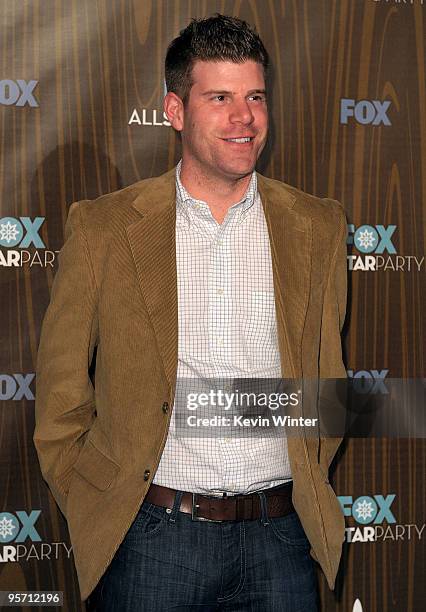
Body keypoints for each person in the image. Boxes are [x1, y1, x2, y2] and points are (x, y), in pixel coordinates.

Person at [34, 13, 347, 612]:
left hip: (280, 540)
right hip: (153, 539)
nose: (244, 118)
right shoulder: (105, 230)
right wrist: (102, 504)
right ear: (175, 111)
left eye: (255, 96)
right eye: (220, 98)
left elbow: (324, 387)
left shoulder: (319, 228)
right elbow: (61, 401)